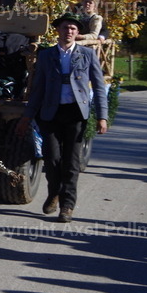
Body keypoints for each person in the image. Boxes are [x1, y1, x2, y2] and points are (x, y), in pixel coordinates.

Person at [16, 13, 108, 223]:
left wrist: (102, 116)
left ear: (78, 32)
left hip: (76, 113)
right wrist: (27, 117)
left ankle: (67, 205)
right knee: (51, 158)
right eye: (65, 28)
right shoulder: (47, 55)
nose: (69, 32)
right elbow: (38, 89)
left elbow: (99, 87)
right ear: (58, 30)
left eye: (73, 28)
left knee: (71, 162)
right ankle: (54, 193)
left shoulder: (87, 54)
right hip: (51, 113)